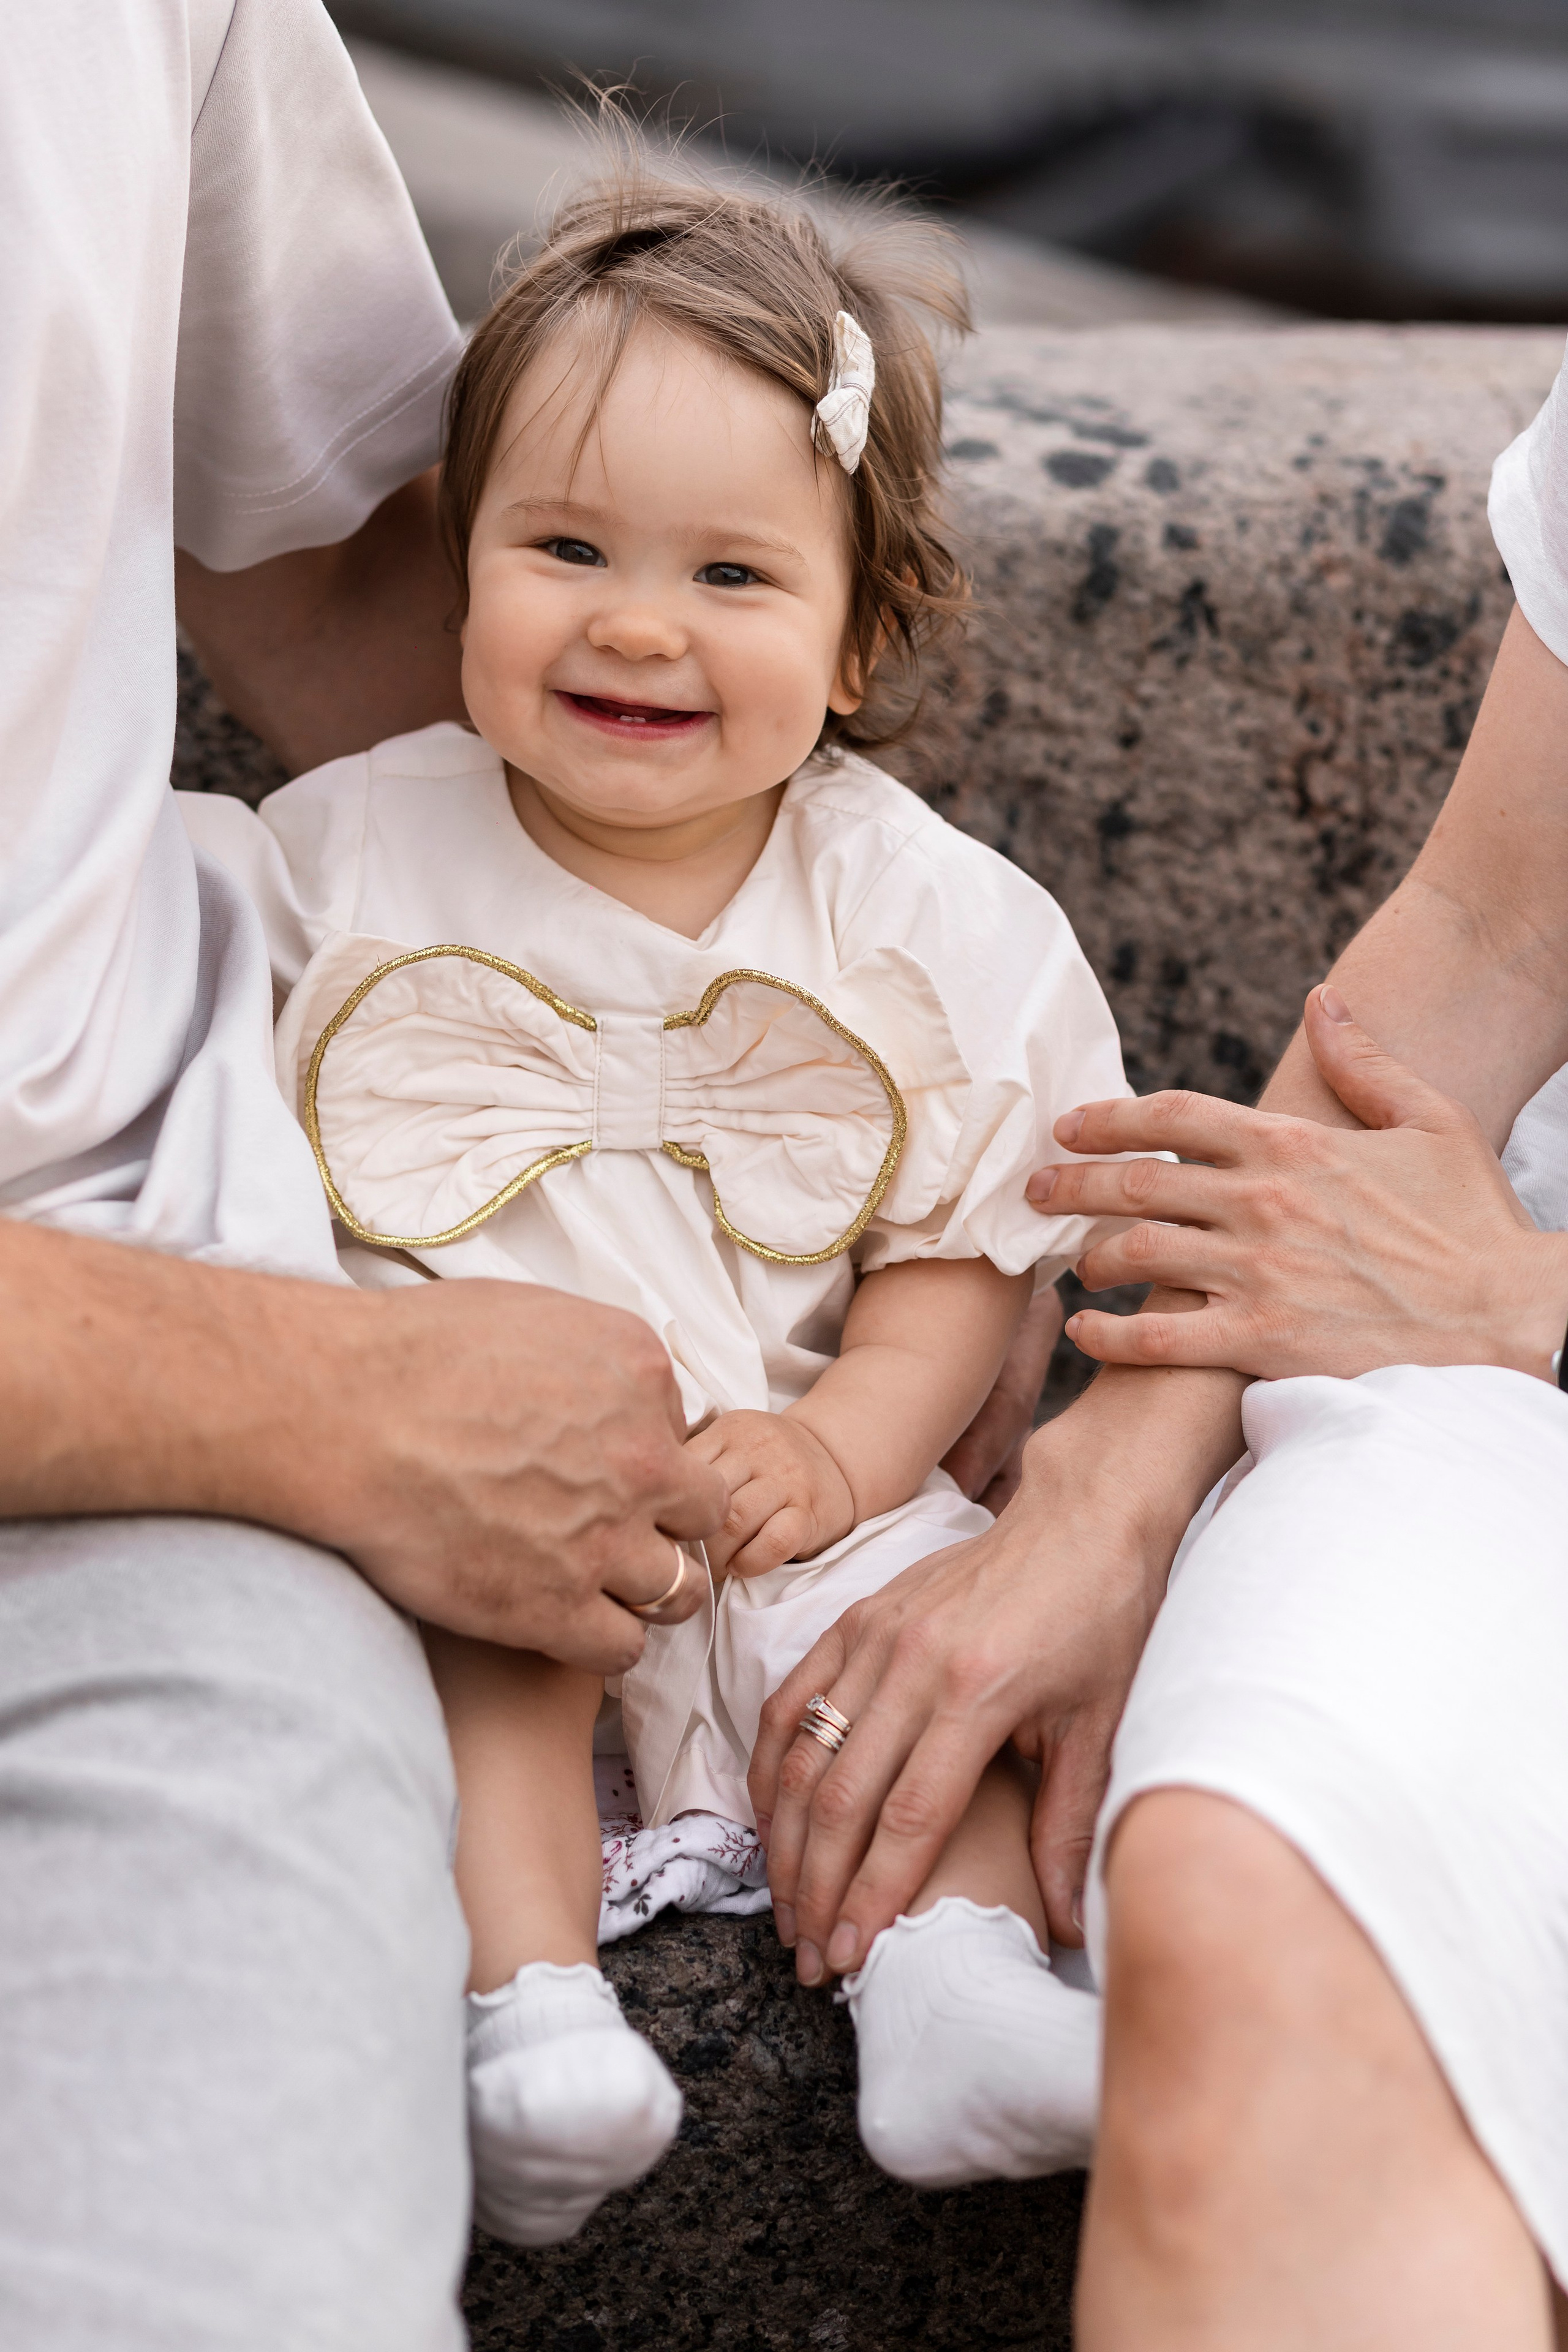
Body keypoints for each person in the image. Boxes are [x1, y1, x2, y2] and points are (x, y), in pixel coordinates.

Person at [181, 164, 1118, 2242]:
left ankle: (953, 1980)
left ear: (862, 630)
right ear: (459, 565)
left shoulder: (921, 915)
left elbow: (954, 1265)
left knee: (911, 1644)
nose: (634, 621)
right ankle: (529, 2015)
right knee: (474, 1645)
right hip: (478, 1476)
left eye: (732, 575)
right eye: (567, 547)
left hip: (791, 1481)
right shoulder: (337, 859)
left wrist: (842, 1447)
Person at [1, 8, 741, 2346]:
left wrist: (837, 1115)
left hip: (136, 1495)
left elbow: (350, 575)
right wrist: (318, 1398)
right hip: (210, 1400)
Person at [750, 334, 1568, 2342]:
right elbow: (1501, 934)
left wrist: (1533, 1304)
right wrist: (1113, 1476)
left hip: (1522, 1308)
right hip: (1497, 1364)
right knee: (1249, 1871)